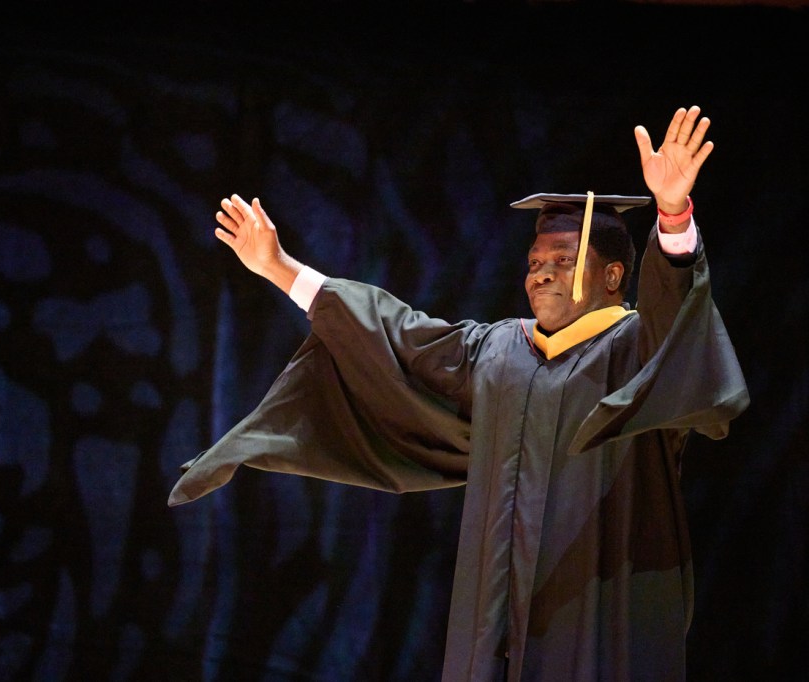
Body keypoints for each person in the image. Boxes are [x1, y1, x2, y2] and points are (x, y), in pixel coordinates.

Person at [168, 106, 749, 681]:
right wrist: (278, 267)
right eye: (534, 260)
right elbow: (389, 331)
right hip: (494, 618)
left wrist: (672, 216)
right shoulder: (496, 352)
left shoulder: (636, 350)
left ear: (614, 277)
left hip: (600, 605)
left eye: (563, 259)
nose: (540, 272)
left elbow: (678, 318)